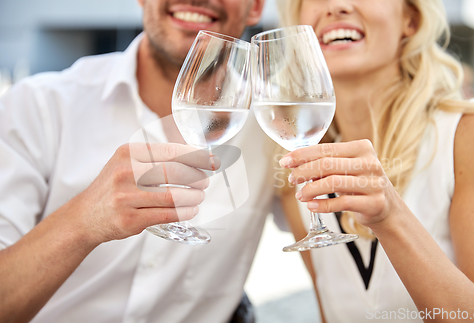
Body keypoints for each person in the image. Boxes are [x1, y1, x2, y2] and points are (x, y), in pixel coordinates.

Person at [0, 0, 275, 322]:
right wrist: (83, 220)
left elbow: (332, 260)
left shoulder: (270, 125)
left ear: (255, 8)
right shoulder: (37, 107)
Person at [277, 0, 474, 322]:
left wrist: (390, 218)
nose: (336, 5)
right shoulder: (295, 171)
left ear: (410, 19)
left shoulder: (471, 133)